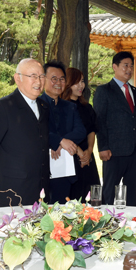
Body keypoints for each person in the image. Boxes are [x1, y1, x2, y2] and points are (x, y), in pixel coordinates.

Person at [0, 58, 50, 207]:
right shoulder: (3, 107)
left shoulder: (44, 106)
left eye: (42, 76)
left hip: (41, 189)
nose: (39, 81)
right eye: (33, 76)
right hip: (11, 190)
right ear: (18, 78)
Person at [94, 51, 136, 206]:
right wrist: (103, 147)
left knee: (131, 193)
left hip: (135, 151)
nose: (129, 69)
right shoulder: (104, 91)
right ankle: (106, 225)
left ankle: (131, 226)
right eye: (125, 65)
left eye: (132, 66)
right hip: (113, 152)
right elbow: (99, 121)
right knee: (109, 194)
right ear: (115, 67)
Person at [40, 61, 86, 204]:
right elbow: (36, 131)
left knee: (62, 211)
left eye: (62, 79)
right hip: (41, 169)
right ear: (43, 79)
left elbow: (81, 131)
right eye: (54, 78)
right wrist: (59, 141)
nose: (58, 82)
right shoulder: (36, 104)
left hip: (64, 169)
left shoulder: (70, 106)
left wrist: (61, 142)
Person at [61, 67, 101, 201]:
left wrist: (89, 150)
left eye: (82, 81)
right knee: (73, 199)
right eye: (76, 82)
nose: (81, 85)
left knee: (93, 196)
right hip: (69, 157)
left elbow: (91, 130)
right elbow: (63, 133)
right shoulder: (61, 106)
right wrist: (80, 153)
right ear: (67, 83)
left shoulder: (86, 107)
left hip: (88, 158)